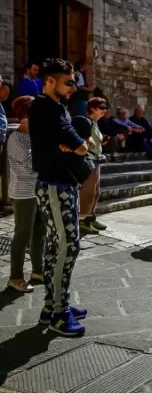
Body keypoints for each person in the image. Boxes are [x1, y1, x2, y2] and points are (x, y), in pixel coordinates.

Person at [29, 58, 90, 336]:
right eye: (68, 81)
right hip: (54, 185)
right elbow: (80, 144)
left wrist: (75, 144)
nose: (73, 87)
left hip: (63, 184)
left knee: (59, 246)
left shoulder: (58, 108)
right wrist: (76, 145)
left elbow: (77, 143)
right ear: (49, 81)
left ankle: (53, 304)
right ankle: (58, 314)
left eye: (74, 81)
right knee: (67, 246)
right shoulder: (44, 107)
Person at [6, 96, 45, 293]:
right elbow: (32, 164)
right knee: (22, 235)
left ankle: (38, 271)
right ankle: (15, 277)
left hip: (36, 191)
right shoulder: (15, 138)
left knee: (39, 232)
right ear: (26, 116)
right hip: (22, 194)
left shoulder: (34, 136)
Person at [72, 97, 109, 235]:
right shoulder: (86, 122)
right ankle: (82, 221)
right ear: (92, 108)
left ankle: (90, 217)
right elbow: (86, 141)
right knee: (88, 191)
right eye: (101, 107)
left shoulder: (95, 123)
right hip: (88, 160)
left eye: (105, 108)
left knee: (96, 191)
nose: (104, 110)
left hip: (96, 159)